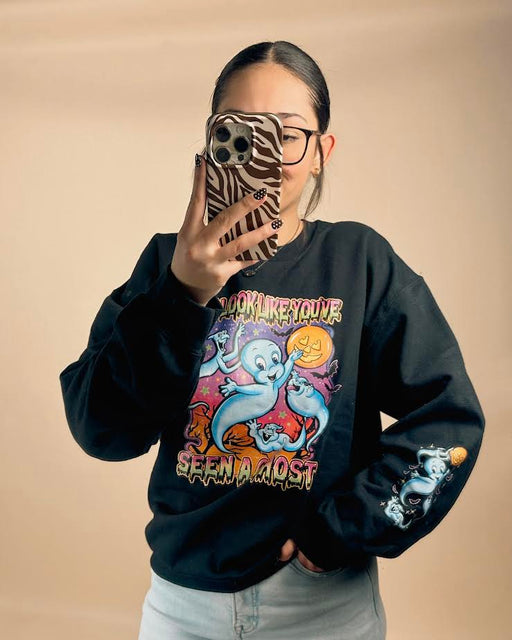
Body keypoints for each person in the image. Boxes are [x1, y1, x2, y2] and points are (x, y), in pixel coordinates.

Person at [59, 41, 485, 640]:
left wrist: (342, 529)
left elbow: (449, 418)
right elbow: (101, 429)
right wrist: (182, 293)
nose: (262, 153)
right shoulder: (164, 266)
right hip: (184, 604)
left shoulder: (360, 262)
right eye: (240, 130)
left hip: (322, 608)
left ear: (320, 152)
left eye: (285, 134)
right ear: (211, 144)